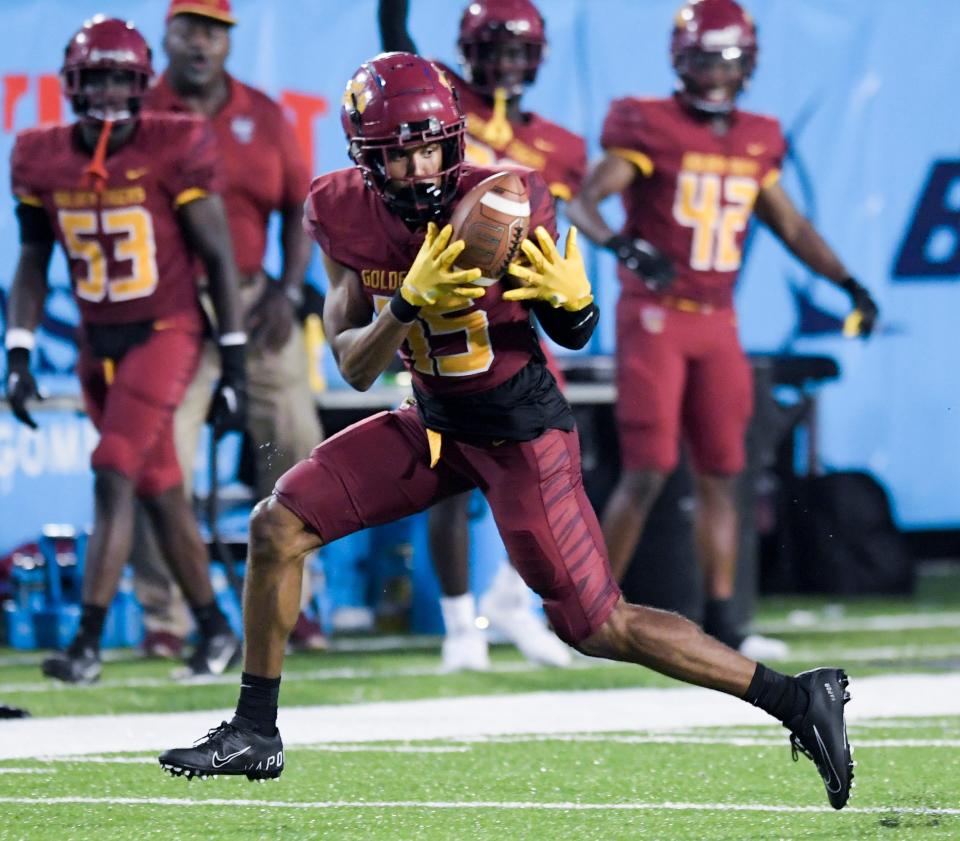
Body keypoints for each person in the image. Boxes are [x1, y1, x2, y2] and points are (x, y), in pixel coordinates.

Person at [159, 52, 855, 812]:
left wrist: (576, 306)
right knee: (277, 524)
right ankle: (257, 730)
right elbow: (354, 367)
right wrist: (404, 308)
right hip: (432, 422)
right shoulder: (338, 209)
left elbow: (573, 326)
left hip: (521, 430)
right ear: (365, 157)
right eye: (400, 150)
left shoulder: (505, 202)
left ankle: (796, 697)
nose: (421, 164)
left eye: (432, 144)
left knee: (596, 626)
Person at [566, 0, 879, 657]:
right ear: (683, 62)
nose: (715, 74)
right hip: (655, 318)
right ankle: (593, 616)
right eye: (705, 60)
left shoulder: (757, 137)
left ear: (748, 65)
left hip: (719, 322)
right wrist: (624, 247)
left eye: (728, 62)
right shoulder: (648, 124)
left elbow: (791, 226)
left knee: (724, 473)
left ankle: (725, 621)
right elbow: (585, 201)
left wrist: (848, 282)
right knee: (647, 470)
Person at [4, 15, 246, 683]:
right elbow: (31, 254)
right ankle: (217, 627)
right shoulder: (39, 154)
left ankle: (85, 645)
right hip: (96, 339)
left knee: (112, 468)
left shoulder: (177, 144)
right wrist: (19, 349)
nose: (109, 91)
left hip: (166, 331)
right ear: (73, 83)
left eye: (121, 77)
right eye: (97, 76)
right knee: (160, 488)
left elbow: (219, 257)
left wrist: (234, 359)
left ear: (141, 84)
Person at [379, 0, 585, 671]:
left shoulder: (559, 143)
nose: (508, 63)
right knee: (452, 468)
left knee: (547, 463)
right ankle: (459, 623)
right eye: (495, 48)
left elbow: (570, 216)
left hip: (516, 316)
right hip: (443, 303)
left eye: (520, 50)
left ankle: (509, 601)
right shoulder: (441, 94)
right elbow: (396, 47)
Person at [131, 0, 326, 659]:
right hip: (170, 310)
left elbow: (307, 208)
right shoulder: (139, 111)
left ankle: (296, 601)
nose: (199, 42)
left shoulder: (263, 114)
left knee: (297, 446)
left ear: (227, 41)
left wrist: (289, 289)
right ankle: (170, 616)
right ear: (167, 34)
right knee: (161, 460)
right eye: (188, 28)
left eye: (212, 31)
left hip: (253, 301)